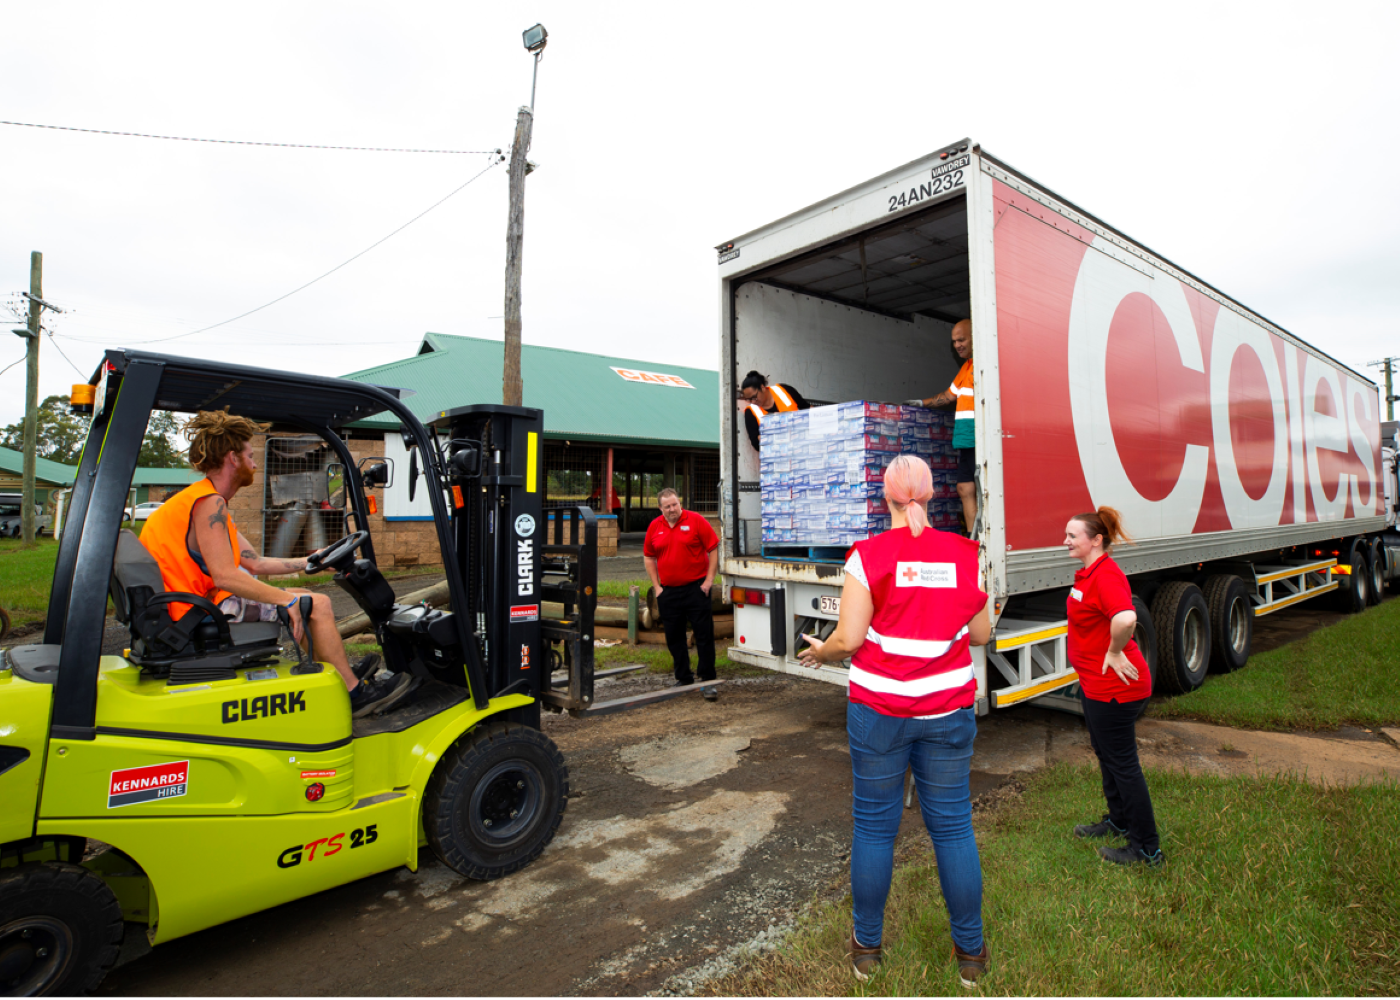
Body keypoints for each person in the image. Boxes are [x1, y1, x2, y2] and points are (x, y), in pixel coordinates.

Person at [798, 454, 992, 986]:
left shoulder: (867, 556)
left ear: (885, 500)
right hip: (948, 711)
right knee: (953, 829)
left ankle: (866, 948)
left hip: (879, 713)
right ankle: (970, 956)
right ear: (933, 498)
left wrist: (823, 652)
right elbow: (979, 634)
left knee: (876, 829)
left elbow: (850, 639)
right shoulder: (964, 554)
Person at [141, 409, 415, 718]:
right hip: (197, 614)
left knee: (304, 598)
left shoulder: (203, 500)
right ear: (233, 459)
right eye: (249, 455)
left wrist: (309, 561)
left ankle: (336, 674)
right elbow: (225, 576)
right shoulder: (209, 504)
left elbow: (254, 563)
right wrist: (286, 600)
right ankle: (354, 695)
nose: (255, 463)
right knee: (318, 604)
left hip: (192, 607)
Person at [1064, 507, 1163, 867]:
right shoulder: (1089, 573)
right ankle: (1119, 819)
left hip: (1115, 688)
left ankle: (1147, 849)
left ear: (1096, 540)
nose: (1066, 541)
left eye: (1073, 536)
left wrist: (1114, 649)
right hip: (1095, 683)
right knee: (1106, 754)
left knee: (1123, 764)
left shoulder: (1105, 575)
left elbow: (1125, 617)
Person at [643, 487, 720, 702]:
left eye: (675, 504)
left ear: (680, 503)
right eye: (667, 506)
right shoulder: (654, 527)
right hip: (668, 592)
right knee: (674, 637)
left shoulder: (695, 520)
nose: (672, 509)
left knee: (704, 635)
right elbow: (649, 556)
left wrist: (709, 581)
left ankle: (708, 680)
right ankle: (684, 678)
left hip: (696, 589)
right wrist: (657, 587)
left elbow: (713, 548)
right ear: (660, 508)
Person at [904, 319, 976, 534]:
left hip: (980, 439)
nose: (957, 345)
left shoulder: (985, 367)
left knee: (981, 489)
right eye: (954, 341)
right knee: (964, 488)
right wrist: (920, 403)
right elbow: (948, 396)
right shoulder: (966, 367)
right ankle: (973, 542)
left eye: (961, 340)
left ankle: (984, 540)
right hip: (965, 439)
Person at [739, 370, 810, 451]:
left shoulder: (784, 390)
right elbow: (756, 443)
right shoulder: (750, 412)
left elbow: (807, 409)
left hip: (801, 449)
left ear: (762, 387)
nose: (753, 402)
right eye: (749, 399)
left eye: (754, 397)